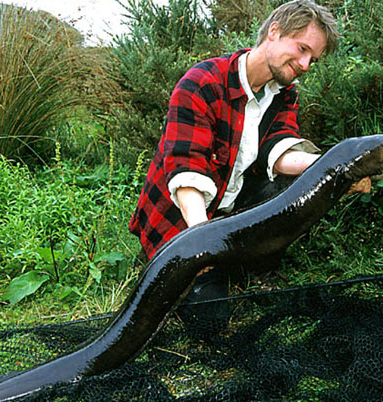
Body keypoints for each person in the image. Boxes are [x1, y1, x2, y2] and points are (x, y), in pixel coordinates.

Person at [129, 0, 370, 325]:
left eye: (313, 58)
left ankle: (255, 264)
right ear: (274, 31)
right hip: (183, 217)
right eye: (301, 49)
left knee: (297, 183)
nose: (305, 64)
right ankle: (166, 262)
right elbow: (187, 174)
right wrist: (203, 248)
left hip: (229, 211)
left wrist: (337, 169)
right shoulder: (201, 83)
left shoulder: (284, 93)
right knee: (210, 322)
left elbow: (281, 151)